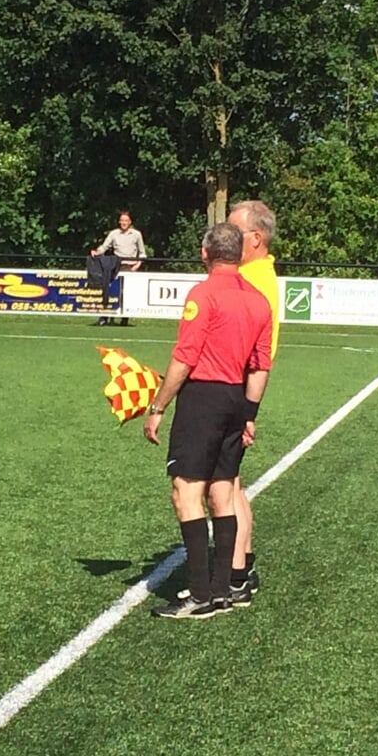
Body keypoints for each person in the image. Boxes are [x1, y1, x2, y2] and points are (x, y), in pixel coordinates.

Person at [142, 222, 271, 619]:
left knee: (186, 492)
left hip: (203, 398)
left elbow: (185, 357)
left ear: (205, 253)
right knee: (223, 490)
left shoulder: (203, 294)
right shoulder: (259, 301)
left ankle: (199, 593)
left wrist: (158, 405)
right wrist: (248, 414)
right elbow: (261, 366)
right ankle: (222, 589)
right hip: (236, 397)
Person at [221, 200, 282, 606]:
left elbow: (256, 353)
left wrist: (244, 409)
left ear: (255, 239)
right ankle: (242, 565)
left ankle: (235, 574)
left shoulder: (254, 282)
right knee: (232, 485)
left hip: (233, 390)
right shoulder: (255, 276)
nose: (224, 240)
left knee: (223, 487)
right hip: (237, 390)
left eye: (232, 233)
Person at [90, 211, 145, 326]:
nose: (124, 223)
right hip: (115, 265)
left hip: (130, 266)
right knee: (108, 289)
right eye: (122, 220)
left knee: (126, 293)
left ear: (130, 222)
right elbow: (104, 246)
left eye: (126, 220)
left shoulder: (136, 234)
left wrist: (136, 265)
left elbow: (142, 253)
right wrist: (97, 252)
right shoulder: (114, 233)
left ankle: (124, 318)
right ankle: (104, 316)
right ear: (119, 222)